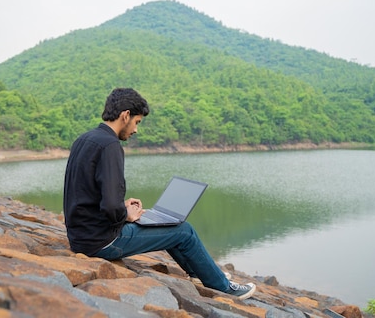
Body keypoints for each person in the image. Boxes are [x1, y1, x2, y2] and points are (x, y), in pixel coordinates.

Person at [63, 88, 256, 299]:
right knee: (183, 231)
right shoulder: (110, 145)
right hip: (101, 241)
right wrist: (124, 214)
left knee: (166, 225)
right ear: (125, 115)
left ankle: (200, 272)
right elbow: (110, 208)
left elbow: (84, 192)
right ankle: (224, 287)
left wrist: (122, 205)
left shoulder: (85, 139)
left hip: (81, 235)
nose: (136, 130)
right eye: (137, 122)